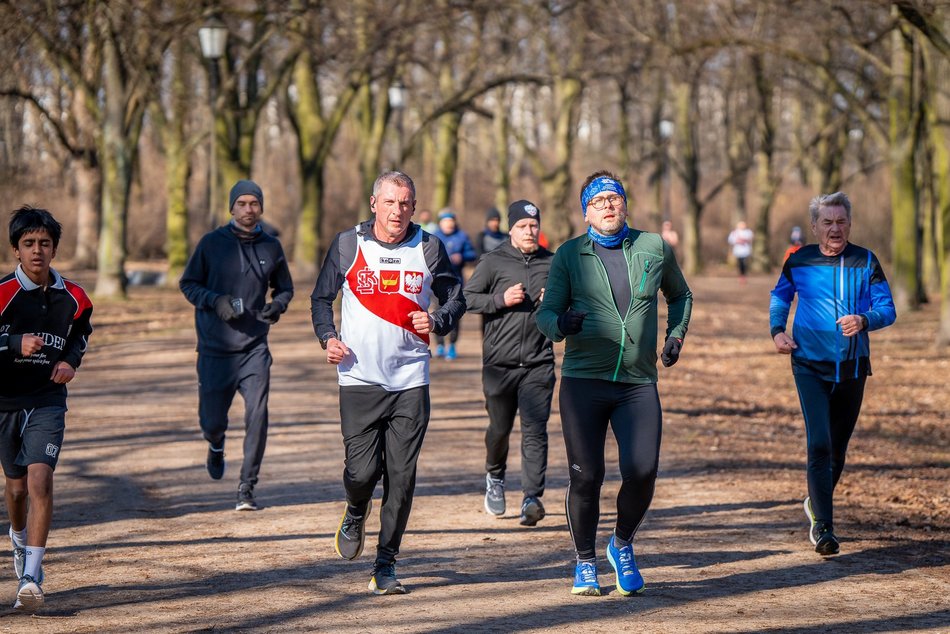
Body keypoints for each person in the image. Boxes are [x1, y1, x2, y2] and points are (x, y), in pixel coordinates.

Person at [536, 171, 692, 597]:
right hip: (584, 381)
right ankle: (585, 561)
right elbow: (545, 314)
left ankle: (621, 544)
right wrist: (561, 325)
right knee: (587, 477)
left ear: (625, 205)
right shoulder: (570, 254)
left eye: (614, 198)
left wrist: (675, 335)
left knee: (642, 471)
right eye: (598, 200)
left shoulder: (653, 247)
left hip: (638, 382)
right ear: (586, 210)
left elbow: (681, 295)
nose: (607, 205)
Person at [311, 170, 465, 595]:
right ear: (374, 203)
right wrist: (328, 337)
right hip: (358, 377)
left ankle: (386, 564)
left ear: (413, 208)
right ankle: (356, 508)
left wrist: (436, 319)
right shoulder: (348, 244)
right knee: (362, 473)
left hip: (410, 379)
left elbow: (456, 298)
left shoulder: (429, 247)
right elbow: (321, 299)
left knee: (401, 474)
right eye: (390, 202)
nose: (398, 211)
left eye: (406, 203)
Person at [769, 192, 895, 556]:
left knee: (837, 450)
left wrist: (865, 319)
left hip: (853, 368)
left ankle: (815, 502)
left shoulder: (866, 260)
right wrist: (778, 330)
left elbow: (888, 308)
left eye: (841, 222)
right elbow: (780, 296)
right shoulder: (799, 260)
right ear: (814, 226)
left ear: (849, 224)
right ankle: (824, 527)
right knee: (820, 444)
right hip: (809, 364)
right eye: (827, 222)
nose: (835, 229)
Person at [180, 180, 294, 512]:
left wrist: (278, 306)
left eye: (254, 203)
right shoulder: (211, 244)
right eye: (241, 203)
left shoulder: (271, 246)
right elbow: (188, 284)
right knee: (212, 421)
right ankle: (215, 444)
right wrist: (215, 301)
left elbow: (284, 289)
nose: (248, 209)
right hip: (215, 349)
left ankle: (247, 486)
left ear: (261, 207)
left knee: (258, 415)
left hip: (254, 348)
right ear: (231, 207)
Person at [0, 206, 93, 612]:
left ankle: (32, 577)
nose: (37, 251)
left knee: (40, 481)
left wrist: (71, 361)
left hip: (47, 401)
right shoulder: (2, 294)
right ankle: (18, 540)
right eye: (28, 244)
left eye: (44, 243)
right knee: (17, 489)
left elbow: (81, 333)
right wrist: (11, 343)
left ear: (54, 249)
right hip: (5, 402)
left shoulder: (74, 297)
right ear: (16, 250)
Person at [464, 200, 555, 527]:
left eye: (534, 226)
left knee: (534, 430)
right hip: (499, 365)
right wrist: (499, 300)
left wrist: (553, 303)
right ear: (511, 229)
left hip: (538, 363)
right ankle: (495, 476)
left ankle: (532, 497)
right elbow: (467, 299)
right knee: (499, 429)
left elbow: (570, 306)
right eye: (522, 226)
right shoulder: (493, 262)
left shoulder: (553, 264)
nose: (529, 232)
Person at [432, 208, 476, 359]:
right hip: (435, 283)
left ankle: (452, 344)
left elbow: (472, 254)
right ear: (441, 223)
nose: (449, 224)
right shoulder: (434, 237)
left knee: (455, 311)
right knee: (438, 311)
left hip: (456, 282)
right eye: (446, 222)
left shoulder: (462, 236)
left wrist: (462, 256)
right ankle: (439, 345)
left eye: (451, 222)